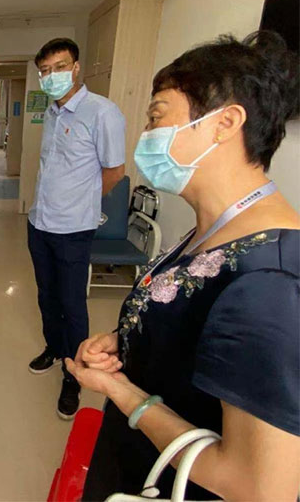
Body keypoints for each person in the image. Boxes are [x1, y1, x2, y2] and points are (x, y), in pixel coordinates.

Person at [67, 32, 299, 500]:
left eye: (157, 117)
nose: (145, 135)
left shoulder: (270, 283)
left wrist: (120, 391)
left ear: (225, 123)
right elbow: (190, 324)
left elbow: (258, 487)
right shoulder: (210, 232)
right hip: (136, 460)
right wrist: (126, 341)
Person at [27, 37, 126, 420]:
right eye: (45, 71)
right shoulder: (52, 112)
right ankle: (55, 349)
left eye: (59, 67)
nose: (52, 76)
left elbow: (114, 170)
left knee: (71, 303)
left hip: (73, 229)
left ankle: (74, 373)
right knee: (46, 295)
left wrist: (83, 202)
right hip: (39, 222)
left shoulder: (102, 112)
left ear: (76, 67)